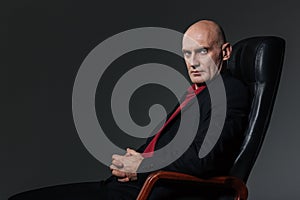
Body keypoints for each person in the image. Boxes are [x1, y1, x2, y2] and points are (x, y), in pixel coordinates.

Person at [9, 19, 250, 200]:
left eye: (203, 51)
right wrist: (130, 162)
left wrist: (144, 166)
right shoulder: (195, 93)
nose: (193, 62)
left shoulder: (230, 92)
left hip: (156, 192)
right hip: (132, 186)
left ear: (225, 52)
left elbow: (204, 159)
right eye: (187, 53)